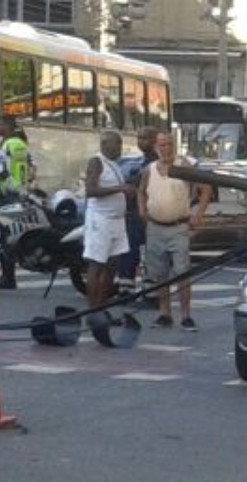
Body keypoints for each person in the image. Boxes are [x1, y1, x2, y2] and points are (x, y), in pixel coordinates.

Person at [138, 132, 212, 331]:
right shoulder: (149, 169)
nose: (166, 149)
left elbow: (206, 188)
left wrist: (199, 214)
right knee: (160, 273)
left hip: (178, 226)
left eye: (170, 144)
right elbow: (141, 190)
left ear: (175, 145)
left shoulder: (185, 166)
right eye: (162, 145)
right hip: (155, 226)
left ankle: (186, 315)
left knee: (182, 272)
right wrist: (142, 210)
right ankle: (164, 313)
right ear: (156, 148)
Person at [83, 131, 137, 308]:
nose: (120, 148)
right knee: (97, 264)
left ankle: (102, 305)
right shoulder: (96, 162)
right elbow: (90, 190)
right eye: (117, 144)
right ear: (104, 144)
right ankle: (93, 309)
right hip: (101, 220)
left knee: (113, 265)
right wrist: (120, 189)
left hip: (117, 221)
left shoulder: (113, 164)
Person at [0, 117, 31, 290]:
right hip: (17, 191)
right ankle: (7, 276)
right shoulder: (19, 143)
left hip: (6, 193)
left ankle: (8, 277)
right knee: (8, 235)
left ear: (7, 126)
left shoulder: (6, 145)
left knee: (5, 236)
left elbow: (1, 171)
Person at [116, 126, 159, 294]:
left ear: (154, 140)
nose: (140, 142)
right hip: (134, 213)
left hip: (152, 213)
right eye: (139, 138)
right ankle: (126, 288)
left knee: (152, 254)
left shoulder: (158, 164)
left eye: (145, 138)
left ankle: (151, 291)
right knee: (129, 252)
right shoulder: (138, 162)